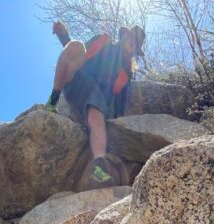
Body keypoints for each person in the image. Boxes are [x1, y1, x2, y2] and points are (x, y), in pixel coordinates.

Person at [46, 21, 145, 184]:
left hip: (96, 99)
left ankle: (98, 167)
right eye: (132, 41)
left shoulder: (126, 73)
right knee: (76, 45)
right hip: (77, 80)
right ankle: (53, 99)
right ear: (125, 36)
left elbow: (120, 103)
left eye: (136, 46)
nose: (132, 46)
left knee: (98, 119)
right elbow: (76, 56)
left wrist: (118, 120)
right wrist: (63, 35)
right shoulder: (103, 41)